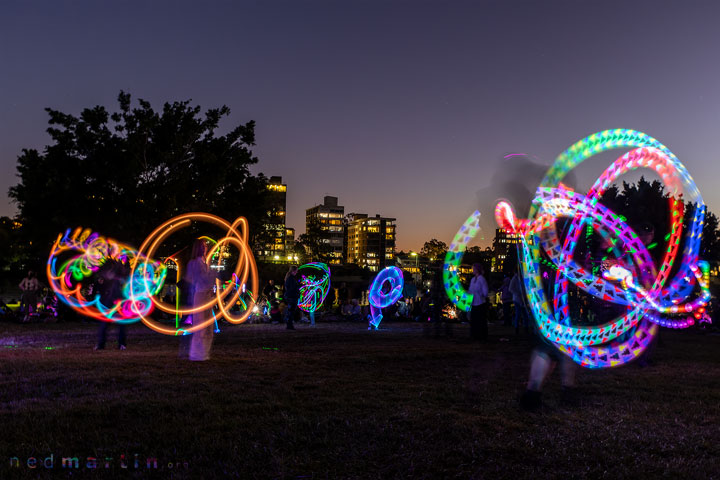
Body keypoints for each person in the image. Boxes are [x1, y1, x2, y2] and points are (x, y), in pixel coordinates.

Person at [186, 239, 218, 361]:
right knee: (201, 326)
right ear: (199, 248)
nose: (206, 248)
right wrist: (213, 274)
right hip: (200, 296)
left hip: (206, 296)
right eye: (204, 246)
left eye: (206, 246)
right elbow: (201, 279)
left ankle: (204, 353)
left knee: (208, 326)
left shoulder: (203, 262)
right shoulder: (196, 263)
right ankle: (197, 354)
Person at [94, 260, 127, 350]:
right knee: (105, 323)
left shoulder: (121, 275)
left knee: (120, 324)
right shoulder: (113, 272)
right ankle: (102, 344)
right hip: (111, 299)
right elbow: (105, 276)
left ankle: (121, 344)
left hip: (118, 300)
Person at [468, 263, 489, 341]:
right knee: (474, 320)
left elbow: (485, 292)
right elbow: (470, 291)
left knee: (480, 321)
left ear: (477, 270)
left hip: (480, 303)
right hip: (474, 303)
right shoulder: (473, 280)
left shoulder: (481, 279)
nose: (472, 270)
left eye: (473, 269)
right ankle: (475, 336)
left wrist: (480, 294)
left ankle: (481, 336)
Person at [283, 265, 299, 330]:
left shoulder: (290, 278)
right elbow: (291, 288)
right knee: (291, 311)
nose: (297, 272)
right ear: (293, 271)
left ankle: (289, 325)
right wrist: (298, 286)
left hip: (290, 296)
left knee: (291, 311)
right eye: (296, 271)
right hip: (291, 296)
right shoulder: (291, 278)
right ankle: (289, 325)